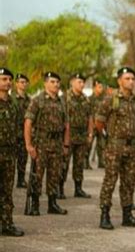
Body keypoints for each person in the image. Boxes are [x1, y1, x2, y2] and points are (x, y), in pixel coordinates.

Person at [96, 67, 135, 230]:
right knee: (110, 180)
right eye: (127, 79)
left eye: (132, 79)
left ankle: (127, 215)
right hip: (115, 147)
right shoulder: (111, 99)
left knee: (129, 182)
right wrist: (109, 138)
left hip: (133, 147)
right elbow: (99, 121)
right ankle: (105, 214)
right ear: (119, 81)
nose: (130, 82)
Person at [24, 71, 70, 215]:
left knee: (54, 174)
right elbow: (28, 122)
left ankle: (52, 203)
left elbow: (66, 124)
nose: (56, 85)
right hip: (41, 142)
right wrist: (29, 145)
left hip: (56, 143)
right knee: (37, 175)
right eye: (52, 82)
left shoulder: (62, 101)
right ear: (45, 83)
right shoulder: (37, 100)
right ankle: (35, 204)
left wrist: (66, 144)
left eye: (57, 82)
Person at [59, 73, 93, 199]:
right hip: (68, 135)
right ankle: (59, 189)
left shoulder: (86, 99)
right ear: (72, 82)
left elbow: (90, 117)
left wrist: (90, 133)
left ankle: (78, 189)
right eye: (79, 82)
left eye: (83, 82)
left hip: (82, 136)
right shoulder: (65, 98)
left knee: (79, 164)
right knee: (64, 164)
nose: (82, 84)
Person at [0, 67, 25, 236]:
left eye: (9, 79)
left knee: (7, 191)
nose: (8, 82)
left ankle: (7, 223)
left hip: (9, 153)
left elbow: (18, 127)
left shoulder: (14, 104)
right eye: (4, 79)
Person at [12, 73, 30, 188]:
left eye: (25, 82)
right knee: (11, 159)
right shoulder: (11, 99)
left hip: (24, 133)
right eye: (21, 82)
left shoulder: (29, 100)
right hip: (13, 133)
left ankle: (21, 179)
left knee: (23, 158)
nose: (23, 84)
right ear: (16, 84)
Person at [88, 80, 106, 168]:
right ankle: (85, 162)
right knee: (89, 144)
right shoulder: (90, 99)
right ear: (94, 88)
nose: (101, 89)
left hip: (101, 125)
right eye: (99, 87)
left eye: (102, 87)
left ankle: (101, 162)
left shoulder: (103, 99)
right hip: (92, 125)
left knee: (101, 144)